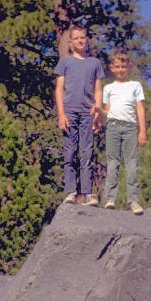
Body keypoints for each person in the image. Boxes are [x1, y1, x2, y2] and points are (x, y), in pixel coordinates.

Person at [54, 26, 105, 206]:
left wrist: (97, 114)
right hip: (69, 112)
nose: (80, 41)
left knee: (87, 153)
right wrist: (61, 114)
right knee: (70, 153)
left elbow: (98, 90)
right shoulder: (65, 62)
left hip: (87, 113)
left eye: (82, 37)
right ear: (71, 42)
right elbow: (59, 89)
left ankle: (87, 194)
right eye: (76, 38)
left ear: (87, 39)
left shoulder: (95, 63)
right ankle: (70, 192)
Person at [100, 50, 147, 215]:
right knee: (112, 164)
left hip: (130, 128)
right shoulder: (108, 88)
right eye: (117, 66)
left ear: (128, 66)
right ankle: (110, 199)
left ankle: (133, 201)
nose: (120, 69)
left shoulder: (135, 86)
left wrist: (142, 130)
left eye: (123, 66)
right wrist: (97, 111)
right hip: (112, 127)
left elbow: (140, 108)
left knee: (132, 165)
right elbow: (108, 110)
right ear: (112, 68)